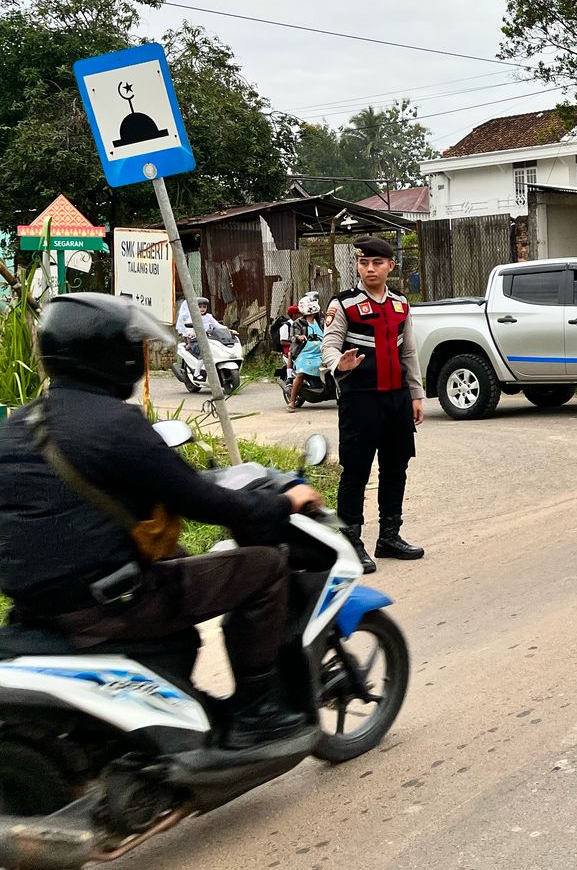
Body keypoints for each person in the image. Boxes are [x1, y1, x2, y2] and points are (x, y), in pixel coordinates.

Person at [0, 293, 322, 749]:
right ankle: (256, 711)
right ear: (113, 353)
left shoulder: (18, 424)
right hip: (111, 602)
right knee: (265, 568)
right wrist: (283, 504)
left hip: (39, 602)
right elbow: (203, 502)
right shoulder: (116, 424)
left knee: (180, 556)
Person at [320, 236, 424, 572]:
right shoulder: (344, 304)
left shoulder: (400, 305)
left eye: (377, 263)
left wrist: (416, 395)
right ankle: (351, 542)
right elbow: (329, 345)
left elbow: (408, 352)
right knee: (356, 471)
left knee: (396, 468)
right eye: (363, 263)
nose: (370, 269)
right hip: (360, 401)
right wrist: (340, 364)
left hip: (396, 400)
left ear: (390, 266)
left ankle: (389, 537)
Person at [285, 299, 324, 412]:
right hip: (304, 353)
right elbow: (291, 337)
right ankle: (292, 401)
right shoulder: (298, 323)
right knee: (301, 374)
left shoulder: (321, 321)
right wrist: (299, 337)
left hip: (321, 352)